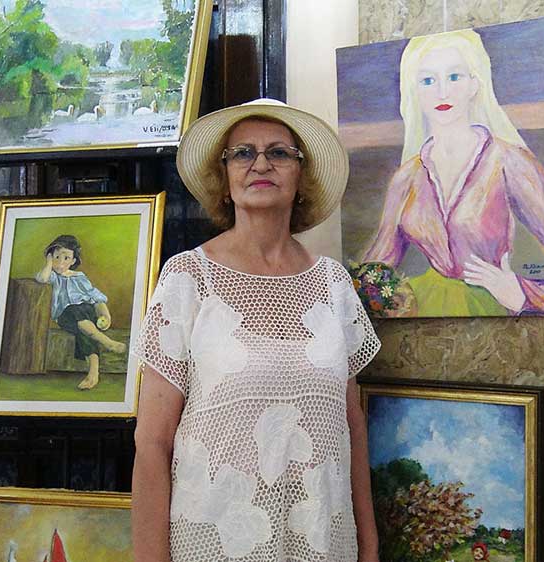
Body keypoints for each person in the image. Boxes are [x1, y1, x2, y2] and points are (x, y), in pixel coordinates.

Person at [131, 99, 381, 562]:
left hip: (323, 542)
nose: (260, 164)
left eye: (279, 152)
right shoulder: (188, 278)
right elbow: (151, 442)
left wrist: (369, 547)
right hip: (214, 543)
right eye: (242, 153)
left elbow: (352, 429)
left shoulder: (334, 284)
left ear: (301, 176)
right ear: (224, 179)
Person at [362, 29, 544, 316]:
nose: (442, 92)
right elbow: (374, 271)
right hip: (422, 313)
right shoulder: (406, 178)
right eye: (428, 80)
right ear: (415, 91)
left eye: (454, 77)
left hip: (492, 313)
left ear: (474, 84)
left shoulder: (508, 161)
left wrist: (523, 294)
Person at [34, 234, 126, 390]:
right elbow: (42, 279)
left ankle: (93, 374)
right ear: (51, 257)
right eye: (56, 257)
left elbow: (96, 297)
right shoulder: (53, 277)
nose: (60, 262)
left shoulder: (79, 277)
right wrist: (48, 262)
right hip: (66, 315)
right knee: (75, 311)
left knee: (83, 321)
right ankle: (107, 343)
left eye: (66, 258)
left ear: (73, 261)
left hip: (86, 313)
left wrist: (106, 315)